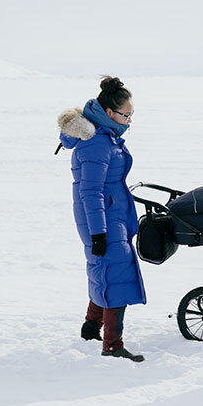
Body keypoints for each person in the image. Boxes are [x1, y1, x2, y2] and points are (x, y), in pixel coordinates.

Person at [57, 76, 147, 362]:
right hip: (103, 221)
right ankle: (112, 345)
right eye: (126, 115)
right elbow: (90, 191)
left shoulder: (104, 135)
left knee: (105, 270)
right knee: (116, 276)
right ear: (109, 113)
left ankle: (91, 327)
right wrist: (99, 233)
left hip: (110, 217)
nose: (130, 120)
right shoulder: (96, 142)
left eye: (132, 114)